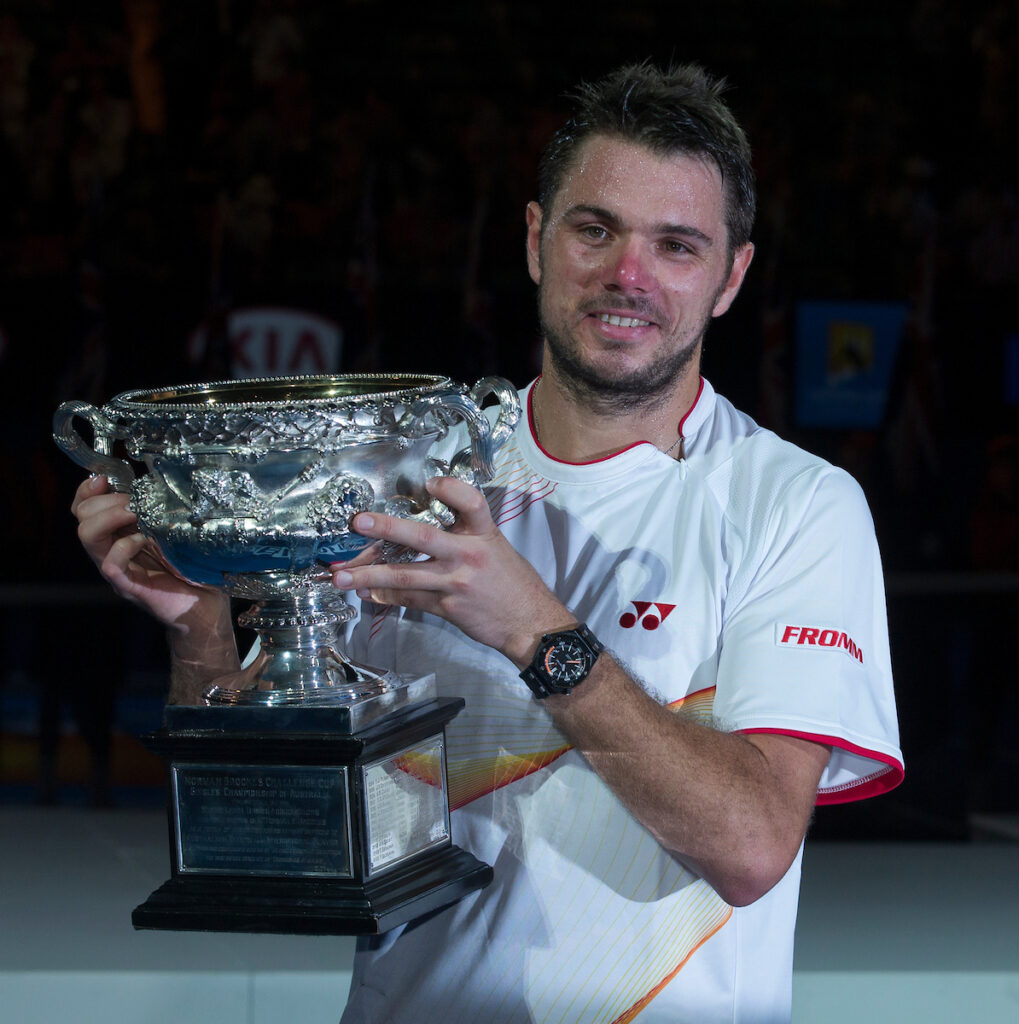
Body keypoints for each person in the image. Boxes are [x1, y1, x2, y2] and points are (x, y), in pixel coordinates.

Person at [72, 62, 903, 1023]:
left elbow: (753, 847)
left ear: (730, 278)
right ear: (534, 240)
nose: (625, 275)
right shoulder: (399, 478)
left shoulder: (793, 503)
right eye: (594, 229)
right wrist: (200, 627)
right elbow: (278, 844)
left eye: (676, 246)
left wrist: (537, 633)